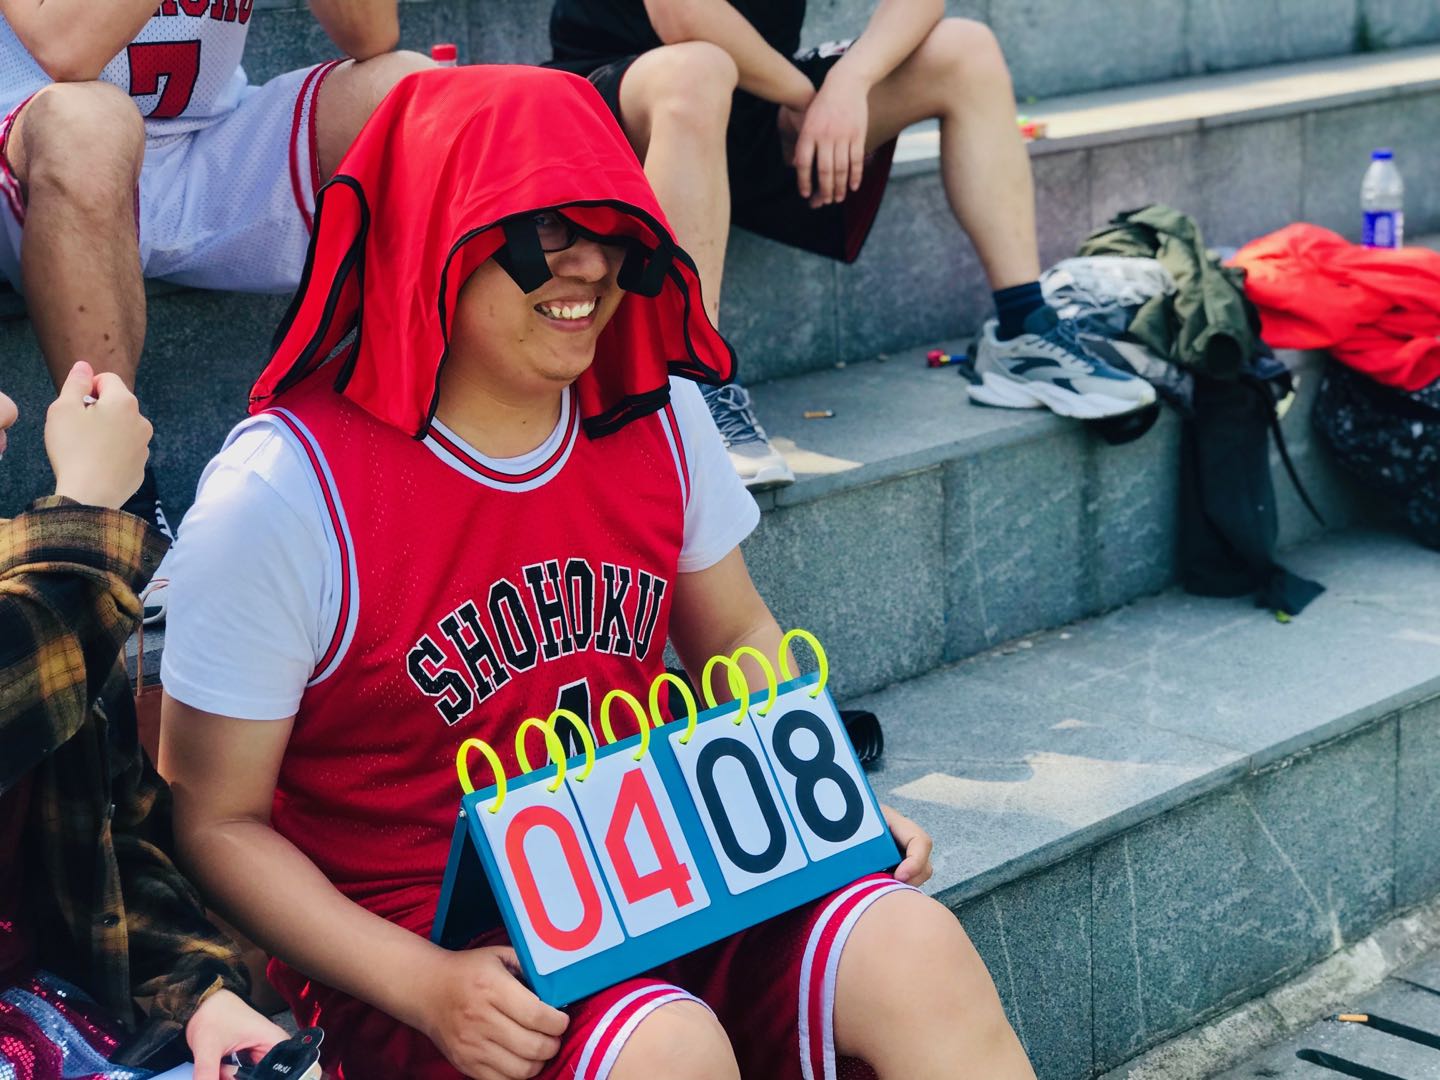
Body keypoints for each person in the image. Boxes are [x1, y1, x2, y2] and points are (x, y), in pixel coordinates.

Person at [157, 67, 1037, 1079]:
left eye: (614, 230)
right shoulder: (285, 488)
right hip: (428, 951)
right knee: (667, 1048)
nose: (592, 266)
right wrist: (424, 986)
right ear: (437, 231)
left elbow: (739, 634)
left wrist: (816, 807)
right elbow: (215, 820)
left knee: (912, 947)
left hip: (664, 872)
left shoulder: (657, 413)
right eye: (545, 231)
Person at [547, 0, 1156, 489]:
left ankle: (1024, 329)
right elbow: (682, 15)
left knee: (963, 49)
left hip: (754, 98)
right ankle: (688, 386)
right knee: (698, 68)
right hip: (626, 91)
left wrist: (849, 82)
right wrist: (804, 95)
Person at [0, 0, 431, 609]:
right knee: (88, 123)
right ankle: (114, 500)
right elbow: (67, 51)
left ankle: (409, 453)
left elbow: (372, 35)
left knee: (412, 89)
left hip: (207, 140)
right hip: (37, 144)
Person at [0, 362, 289, 1077]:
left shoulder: (36, 580)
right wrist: (84, 517)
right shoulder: (58, 588)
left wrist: (199, 994)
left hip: (50, 1027)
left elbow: (110, 838)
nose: (8, 409)